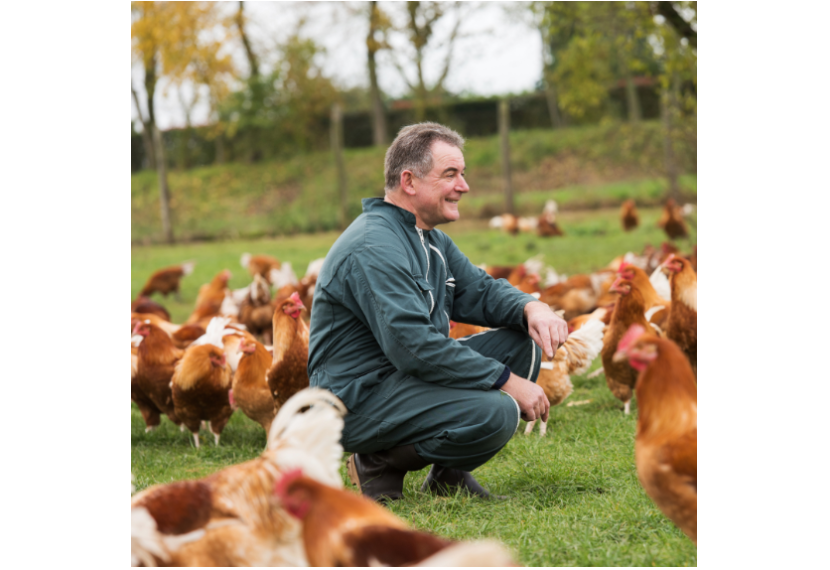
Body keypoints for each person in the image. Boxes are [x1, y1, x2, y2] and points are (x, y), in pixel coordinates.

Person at [308, 123, 568, 502]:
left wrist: (532, 306)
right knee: (495, 412)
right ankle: (379, 462)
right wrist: (505, 380)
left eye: (462, 174)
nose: (463, 186)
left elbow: (479, 290)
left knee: (521, 342)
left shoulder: (428, 237)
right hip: (356, 400)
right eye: (450, 174)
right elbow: (413, 347)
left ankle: (449, 478)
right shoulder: (373, 245)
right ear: (409, 181)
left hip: (400, 379)